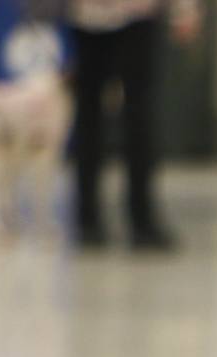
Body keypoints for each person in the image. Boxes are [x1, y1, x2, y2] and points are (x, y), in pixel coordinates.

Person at [65, 0, 199, 250]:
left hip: (134, 14)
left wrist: (184, 9)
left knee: (134, 117)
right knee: (91, 116)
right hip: (89, 16)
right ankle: (91, 219)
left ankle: (137, 219)